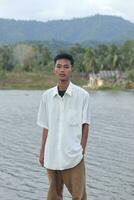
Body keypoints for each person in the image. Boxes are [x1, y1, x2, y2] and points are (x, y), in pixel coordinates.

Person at [37, 53, 90, 200]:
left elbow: (85, 125)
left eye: (66, 67)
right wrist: (42, 152)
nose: (62, 70)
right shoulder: (47, 96)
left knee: (79, 196)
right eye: (59, 66)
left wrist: (81, 150)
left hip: (73, 155)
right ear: (54, 69)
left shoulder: (82, 96)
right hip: (52, 154)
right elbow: (45, 126)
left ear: (71, 69)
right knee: (54, 195)